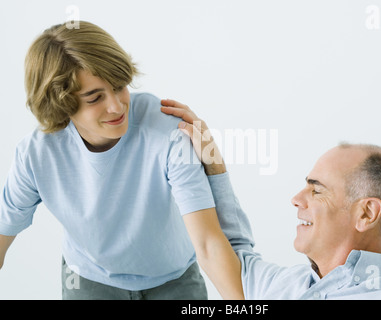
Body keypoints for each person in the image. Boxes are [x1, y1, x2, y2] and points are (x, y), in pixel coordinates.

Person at [0, 21, 243, 300]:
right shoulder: (36, 154)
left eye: (119, 87)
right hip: (88, 280)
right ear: (60, 104)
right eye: (94, 98)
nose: (116, 106)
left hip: (175, 278)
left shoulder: (168, 131)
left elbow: (209, 243)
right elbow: (3, 230)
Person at [160, 99, 381, 299]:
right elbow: (227, 250)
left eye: (317, 190)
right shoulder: (279, 286)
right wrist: (212, 161)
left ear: (366, 214)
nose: (296, 199)